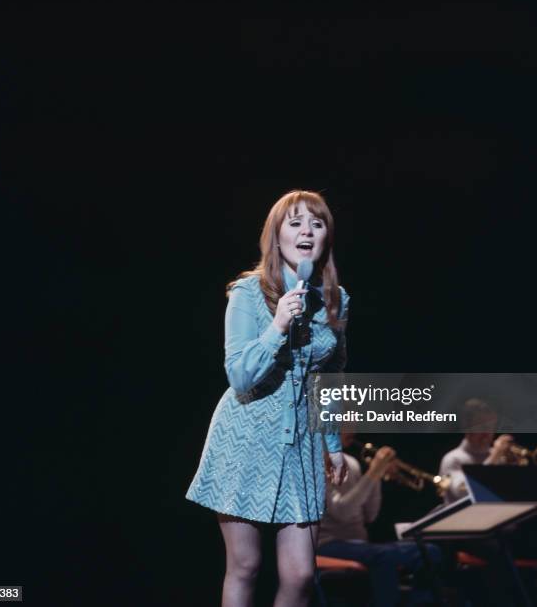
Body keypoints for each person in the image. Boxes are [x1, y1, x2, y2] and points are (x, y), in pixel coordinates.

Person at [186, 190, 350, 607]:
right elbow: (240, 376)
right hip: (247, 437)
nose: (307, 230)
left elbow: (329, 377)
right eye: (295, 223)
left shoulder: (336, 299)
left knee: (300, 575)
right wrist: (277, 326)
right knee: (245, 566)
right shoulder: (247, 292)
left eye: (316, 222)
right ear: (276, 238)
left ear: (326, 237)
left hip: (302, 447)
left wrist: (332, 446)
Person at [317, 434, 442, 607]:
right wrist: (373, 472)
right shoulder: (315, 463)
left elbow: (371, 515)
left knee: (429, 551)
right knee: (384, 557)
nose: (352, 428)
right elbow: (342, 512)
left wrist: (376, 478)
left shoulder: (351, 463)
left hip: (359, 544)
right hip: (329, 545)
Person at [438, 398, 514, 503]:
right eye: (482, 427)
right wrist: (494, 459)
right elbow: (463, 492)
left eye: (491, 426)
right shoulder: (452, 459)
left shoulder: (498, 457)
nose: (487, 433)